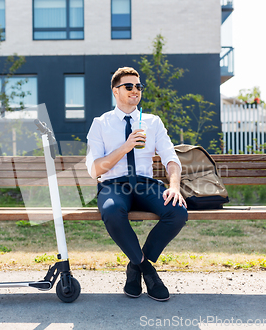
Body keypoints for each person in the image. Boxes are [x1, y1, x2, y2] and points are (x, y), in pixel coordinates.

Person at [86, 67, 188, 301]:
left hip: (145, 183)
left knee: (178, 211)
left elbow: (171, 159)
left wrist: (174, 186)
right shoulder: (101, 123)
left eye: (139, 86)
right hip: (113, 184)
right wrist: (125, 147)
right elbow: (94, 170)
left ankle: (136, 266)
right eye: (129, 86)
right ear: (115, 91)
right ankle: (147, 269)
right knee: (112, 211)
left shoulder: (152, 122)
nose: (135, 90)